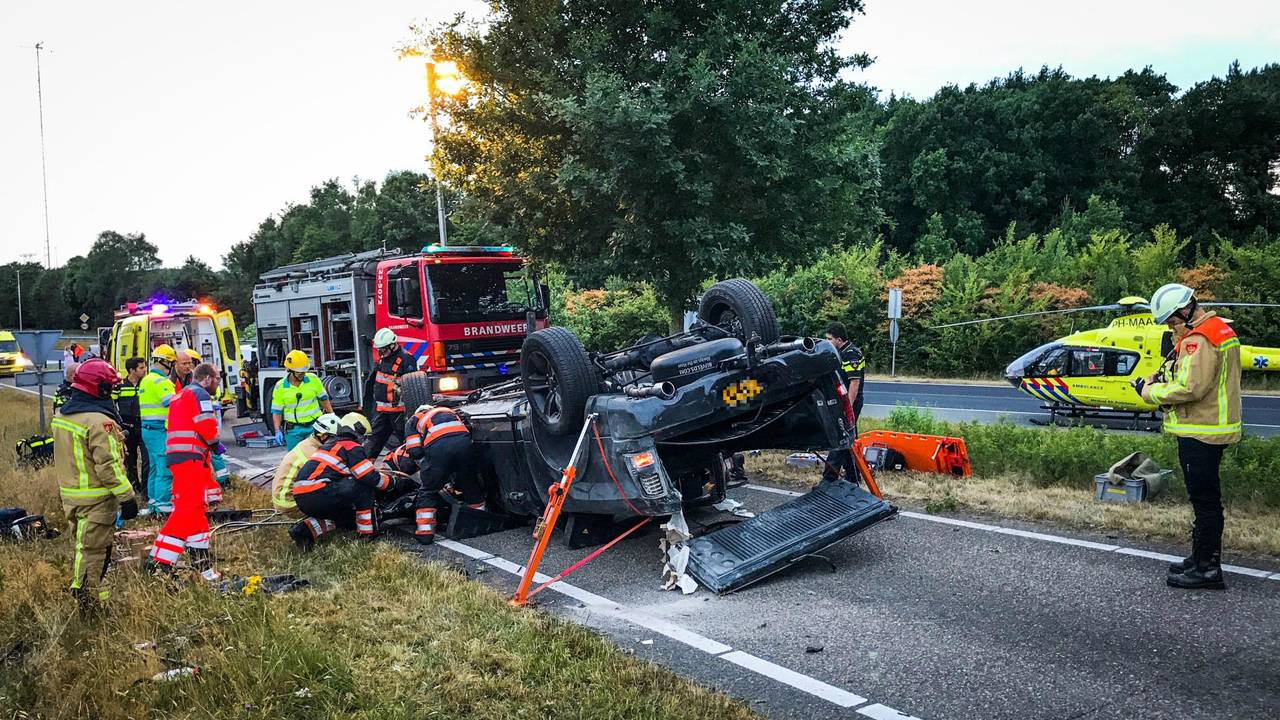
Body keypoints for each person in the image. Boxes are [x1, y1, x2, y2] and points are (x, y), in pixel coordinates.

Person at [1136, 283, 1242, 590]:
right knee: (1204, 500)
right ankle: (1199, 558)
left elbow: (1190, 388)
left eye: (1172, 320)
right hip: (1210, 426)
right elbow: (1193, 376)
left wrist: (1149, 391)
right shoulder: (1216, 330)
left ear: (1185, 310)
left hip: (1201, 430)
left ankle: (1207, 569)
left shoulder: (1200, 339)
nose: (1171, 326)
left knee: (1204, 502)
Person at [51, 359, 138, 614]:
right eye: (109, 387)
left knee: (83, 548)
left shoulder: (63, 414)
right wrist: (128, 497)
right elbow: (107, 466)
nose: (111, 393)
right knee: (95, 552)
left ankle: (92, 598)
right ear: (97, 388)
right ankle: (89, 603)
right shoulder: (99, 421)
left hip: (72, 495)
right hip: (97, 499)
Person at [146, 363, 225, 582]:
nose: (218, 383)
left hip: (180, 457)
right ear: (207, 378)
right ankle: (159, 562)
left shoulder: (180, 395)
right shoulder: (200, 395)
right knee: (187, 510)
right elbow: (206, 425)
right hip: (191, 458)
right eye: (217, 379)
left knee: (197, 510)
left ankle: (203, 567)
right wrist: (215, 443)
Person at [289, 412, 384, 550]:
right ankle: (367, 534)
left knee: (347, 517)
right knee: (363, 488)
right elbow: (369, 477)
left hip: (302, 497)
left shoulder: (329, 446)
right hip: (319, 491)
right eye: (364, 436)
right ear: (357, 431)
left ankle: (304, 531)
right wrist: (394, 483)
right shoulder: (350, 446)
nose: (364, 440)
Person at [405, 403, 480, 545]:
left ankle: (425, 534)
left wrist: (429, 470)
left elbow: (415, 451)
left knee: (429, 490)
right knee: (470, 483)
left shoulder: (414, 419)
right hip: (464, 443)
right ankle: (479, 520)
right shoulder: (448, 411)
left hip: (438, 447)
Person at [821, 322, 866, 483]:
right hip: (842, 401)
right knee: (848, 439)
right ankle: (853, 476)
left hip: (851, 402)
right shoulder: (840, 352)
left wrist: (849, 408)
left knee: (840, 437)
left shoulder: (850, 354)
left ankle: (828, 479)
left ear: (839, 340)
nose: (827, 342)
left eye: (829, 339)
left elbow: (854, 382)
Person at [271, 413, 340, 516]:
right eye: (335, 438)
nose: (337, 441)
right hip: (289, 503)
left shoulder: (309, 443)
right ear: (324, 436)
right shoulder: (314, 454)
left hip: (283, 498)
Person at [361, 328, 416, 457]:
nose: (381, 352)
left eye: (384, 349)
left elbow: (412, 386)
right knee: (374, 442)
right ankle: (365, 465)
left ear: (393, 345)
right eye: (379, 350)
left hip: (399, 413)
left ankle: (409, 464)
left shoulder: (406, 359)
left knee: (407, 443)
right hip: (382, 412)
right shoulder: (383, 358)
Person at [138, 344, 179, 514]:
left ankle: (154, 503)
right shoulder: (162, 382)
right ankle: (164, 506)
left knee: (154, 468)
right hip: (160, 430)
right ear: (166, 362)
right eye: (172, 363)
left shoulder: (146, 379)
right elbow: (174, 404)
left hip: (148, 430)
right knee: (165, 469)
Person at [271, 350, 334, 450]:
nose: (302, 374)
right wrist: (277, 430)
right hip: (294, 431)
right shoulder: (280, 386)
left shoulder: (313, 379)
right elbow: (277, 411)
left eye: (304, 372)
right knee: (295, 458)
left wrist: (332, 416)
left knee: (317, 457)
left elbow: (323, 399)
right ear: (290, 370)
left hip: (314, 427)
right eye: (298, 372)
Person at [111, 357, 149, 497]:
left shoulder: (146, 384)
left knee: (147, 459)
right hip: (127, 427)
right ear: (132, 370)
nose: (144, 370)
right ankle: (134, 486)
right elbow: (112, 405)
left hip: (143, 425)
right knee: (130, 459)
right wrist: (118, 423)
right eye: (141, 368)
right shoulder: (120, 386)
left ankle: (145, 489)